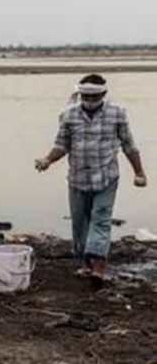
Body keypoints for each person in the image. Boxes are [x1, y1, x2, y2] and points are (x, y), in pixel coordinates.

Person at [35, 74, 146, 282]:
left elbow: (128, 145)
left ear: (103, 94)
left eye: (94, 97)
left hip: (106, 177)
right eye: (85, 97)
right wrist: (47, 160)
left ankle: (98, 268)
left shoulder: (117, 114)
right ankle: (86, 265)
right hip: (77, 178)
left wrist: (139, 172)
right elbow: (62, 145)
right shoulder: (69, 115)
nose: (90, 101)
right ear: (80, 95)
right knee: (80, 222)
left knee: (101, 220)